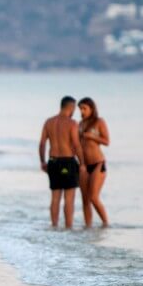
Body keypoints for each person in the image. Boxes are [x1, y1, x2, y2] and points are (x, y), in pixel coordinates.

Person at [39, 95, 84, 228]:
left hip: (52, 162)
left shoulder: (49, 122)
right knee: (69, 199)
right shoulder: (72, 123)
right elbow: (76, 145)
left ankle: (54, 227)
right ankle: (68, 229)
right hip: (68, 162)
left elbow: (42, 144)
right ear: (71, 107)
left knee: (55, 197)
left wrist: (42, 162)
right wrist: (82, 164)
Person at [78, 97, 110, 228]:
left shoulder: (99, 122)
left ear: (92, 108)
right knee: (85, 199)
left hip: (98, 163)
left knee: (93, 197)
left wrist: (92, 136)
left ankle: (106, 224)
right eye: (80, 109)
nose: (82, 111)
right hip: (85, 165)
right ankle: (88, 227)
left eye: (84, 108)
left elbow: (107, 141)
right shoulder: (80, 124)